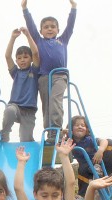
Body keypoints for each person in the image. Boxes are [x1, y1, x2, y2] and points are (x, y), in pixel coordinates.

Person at [22, 0, 77, 142]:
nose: (50, 29)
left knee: (55, 101)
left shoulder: (62, 40)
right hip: (44, 77)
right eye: (46, 27)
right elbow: (31, 26)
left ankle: (57, 132)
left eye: (53, 27)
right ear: (41, 31)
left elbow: (70, 26)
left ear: (58, 30)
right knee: (46, 106)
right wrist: (25, 8)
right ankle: (50, 134)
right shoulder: (39, 41)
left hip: (59, 75)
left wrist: (73, 8)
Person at [0, 27, 40, 143]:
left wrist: (28, 35)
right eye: (19, 58)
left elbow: (36, 53)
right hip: (15, 106)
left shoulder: (34, 71)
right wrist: (12, 38)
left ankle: (30, 151)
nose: (22, 60)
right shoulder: (15, 73)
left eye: (26, 57)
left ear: (31, 59)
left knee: (25, 139)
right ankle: (5, 133)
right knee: (9, 111)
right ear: (16, 61)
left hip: (29, 110)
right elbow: (7, 56)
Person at [70, 115, 112, 199]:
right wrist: (63, 133)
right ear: (71, 129)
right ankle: (82, 195)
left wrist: (100, 151)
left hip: (98, 162)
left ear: (87, 129)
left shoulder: (89, 139)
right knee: (81, 169)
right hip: (86, 167)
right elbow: (59, 142)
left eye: (83, 125)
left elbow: (104, 141)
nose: (80, 127)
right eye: (77, 125)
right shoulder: (70, 140)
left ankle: (100, 169)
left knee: (110, 142)